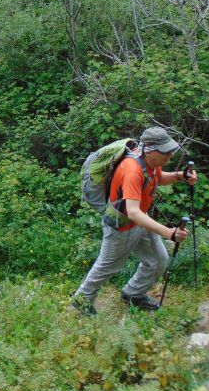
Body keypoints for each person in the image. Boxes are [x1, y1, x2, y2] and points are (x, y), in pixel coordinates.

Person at [72, 127, 196, 314]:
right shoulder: (132, 169)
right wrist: (169, 233)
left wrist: (180, 176)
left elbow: (158, 178)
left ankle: (133, 294)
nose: (169, 156)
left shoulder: (150, 162)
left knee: (157, 260)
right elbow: (133, 212)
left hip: (140, 219)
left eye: (170, 151)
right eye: (165, 152)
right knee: (108, 266)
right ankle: (81, 300)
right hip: (121, 225)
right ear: (150, 150)